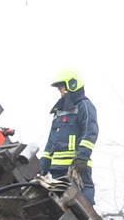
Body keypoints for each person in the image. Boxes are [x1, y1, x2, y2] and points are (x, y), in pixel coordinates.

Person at [41, 70, 99, 204]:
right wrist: (44, 164)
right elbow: (52, 140)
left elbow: (90, 132)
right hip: (57, 170)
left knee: (83, 203)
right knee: (58, 205)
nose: (61, 91)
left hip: (77, 166)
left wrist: (82, 157)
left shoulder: (84, 106)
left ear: (72, 85)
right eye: (59, 89)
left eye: (62, 87)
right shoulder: (59, 111)